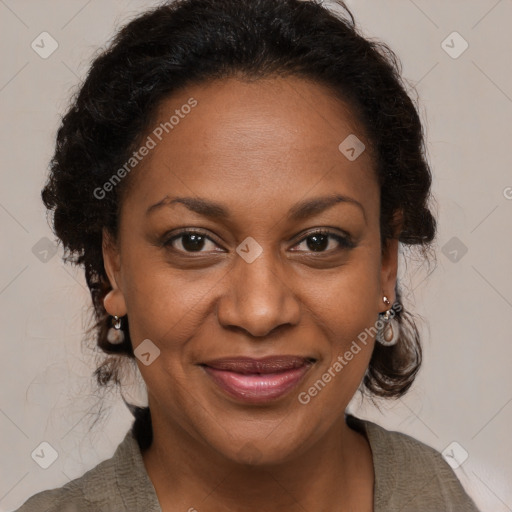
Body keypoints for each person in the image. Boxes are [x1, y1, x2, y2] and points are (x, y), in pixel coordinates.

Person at [14, 0, 480, 510]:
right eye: (193, 242)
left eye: (318, 241)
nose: (259, 312)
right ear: (115, 263)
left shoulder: (435, 492)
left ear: (386, 263)